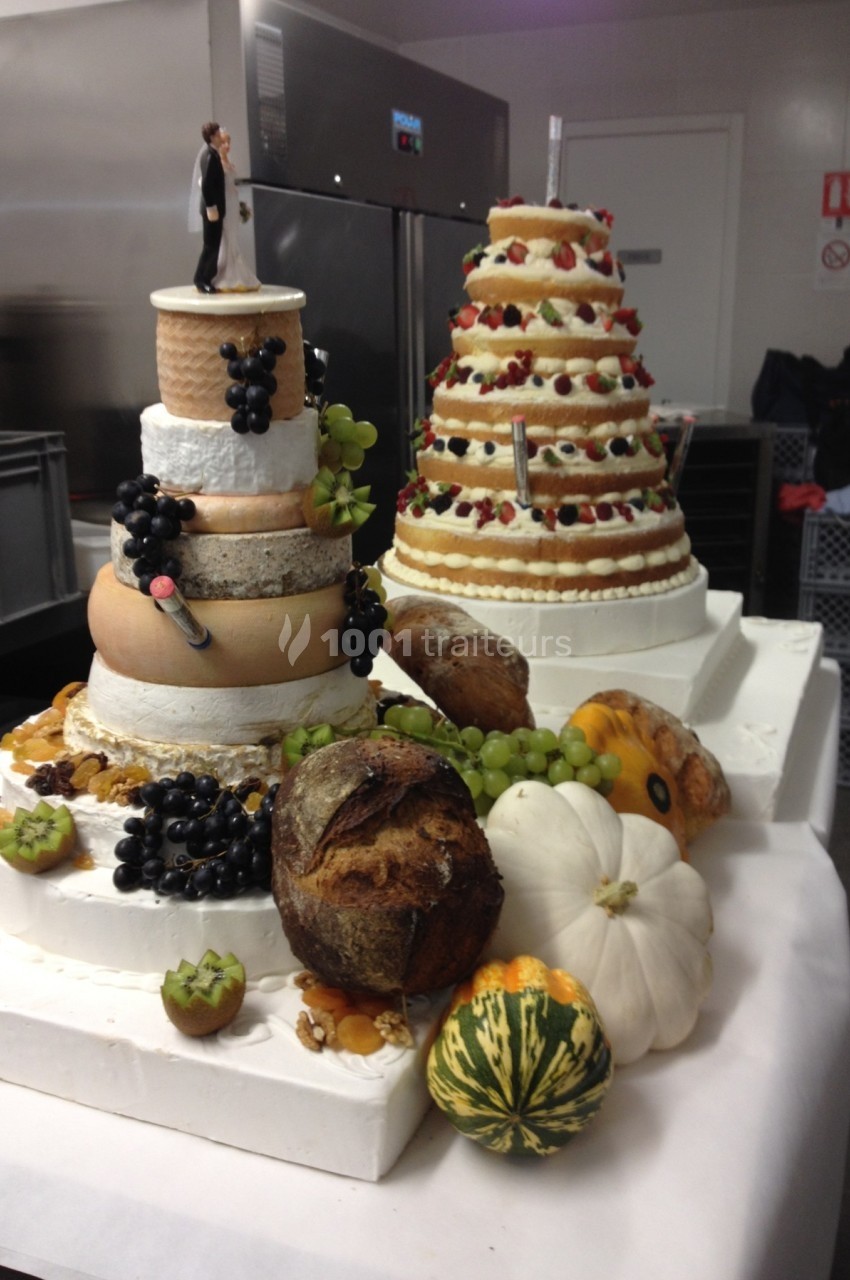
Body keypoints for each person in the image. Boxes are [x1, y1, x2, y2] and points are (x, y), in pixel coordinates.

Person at [212, 130, 260, 292]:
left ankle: (235, 272)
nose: (227, 145)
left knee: (233, 236)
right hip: (224, 204)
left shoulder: (228, 163)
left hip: (233, 203)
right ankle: (225, 274)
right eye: (223, 142)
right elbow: (204, 183)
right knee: (226, 237)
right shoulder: (215, 164)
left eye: (229, 142)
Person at [192, 122, 226, 294]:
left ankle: (207, 277)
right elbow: (206, 184)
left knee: (214, 245)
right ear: (212, 137)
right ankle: (201, 278)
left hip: (216, 209)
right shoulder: (209, 156)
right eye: (218, 134)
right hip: (211, 210)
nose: (221, 137)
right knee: (210, 246)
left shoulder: (213, 154)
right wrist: (211, 207)